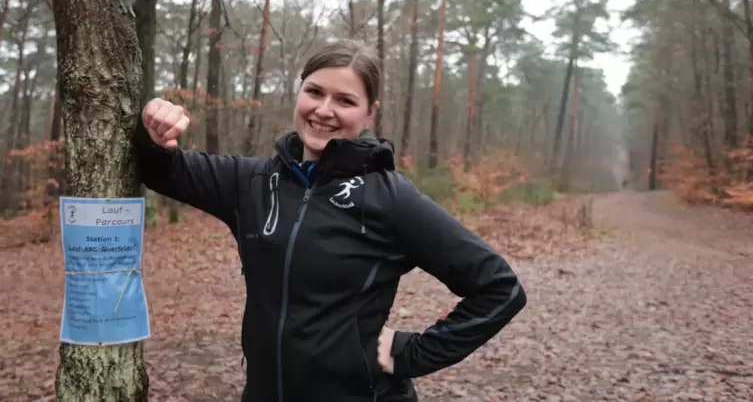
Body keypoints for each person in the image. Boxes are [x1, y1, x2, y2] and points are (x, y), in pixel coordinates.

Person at [134, 39, 527, 402]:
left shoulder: (390, 198)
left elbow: (499, 289)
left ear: (370, 111)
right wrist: (154, 128)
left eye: (345, 100)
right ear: (300, 91)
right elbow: (163, 171)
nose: (324, 110)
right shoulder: (251, 183)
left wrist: (412, 354)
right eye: (315, 92)